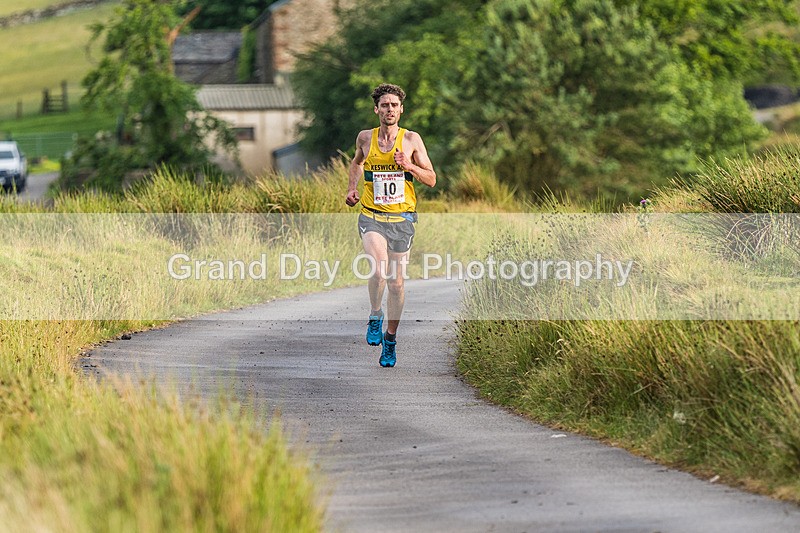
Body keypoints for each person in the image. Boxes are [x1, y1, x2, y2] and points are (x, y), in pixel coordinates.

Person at [345, 83, 436, 367]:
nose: (389, 110)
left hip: (402, 219)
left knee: (396, 284)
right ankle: (375, 314)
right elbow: (357, 163)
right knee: (379, 268)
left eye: (394, 105)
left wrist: (408, 166)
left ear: (401, 110)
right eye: (384, 105)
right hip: (372, 215)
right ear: (376, 109)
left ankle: (391, 338)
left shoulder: (411, 140)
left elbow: (432, 178)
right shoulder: (365, 138)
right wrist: (352, 188)